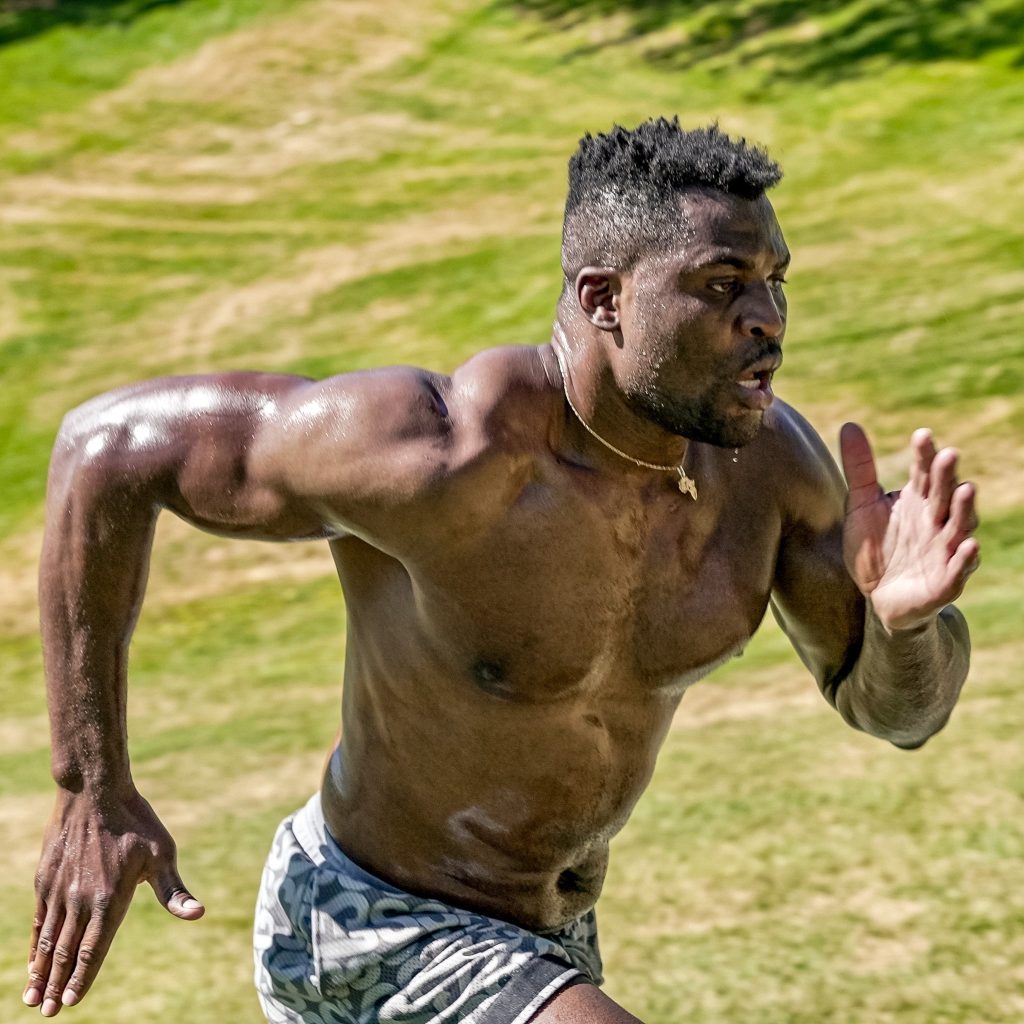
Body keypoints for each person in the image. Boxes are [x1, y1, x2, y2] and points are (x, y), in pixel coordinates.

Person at [25, 119, 979, 1023]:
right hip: (373, 926)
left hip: (549, 942)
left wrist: (902, 626)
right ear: (604, 297)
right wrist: (89, 786)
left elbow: (899, 712)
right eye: (724, 284)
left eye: (776, 280)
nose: (767, 318)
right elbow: (104, 449)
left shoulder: (769, 471)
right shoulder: (441, 457)